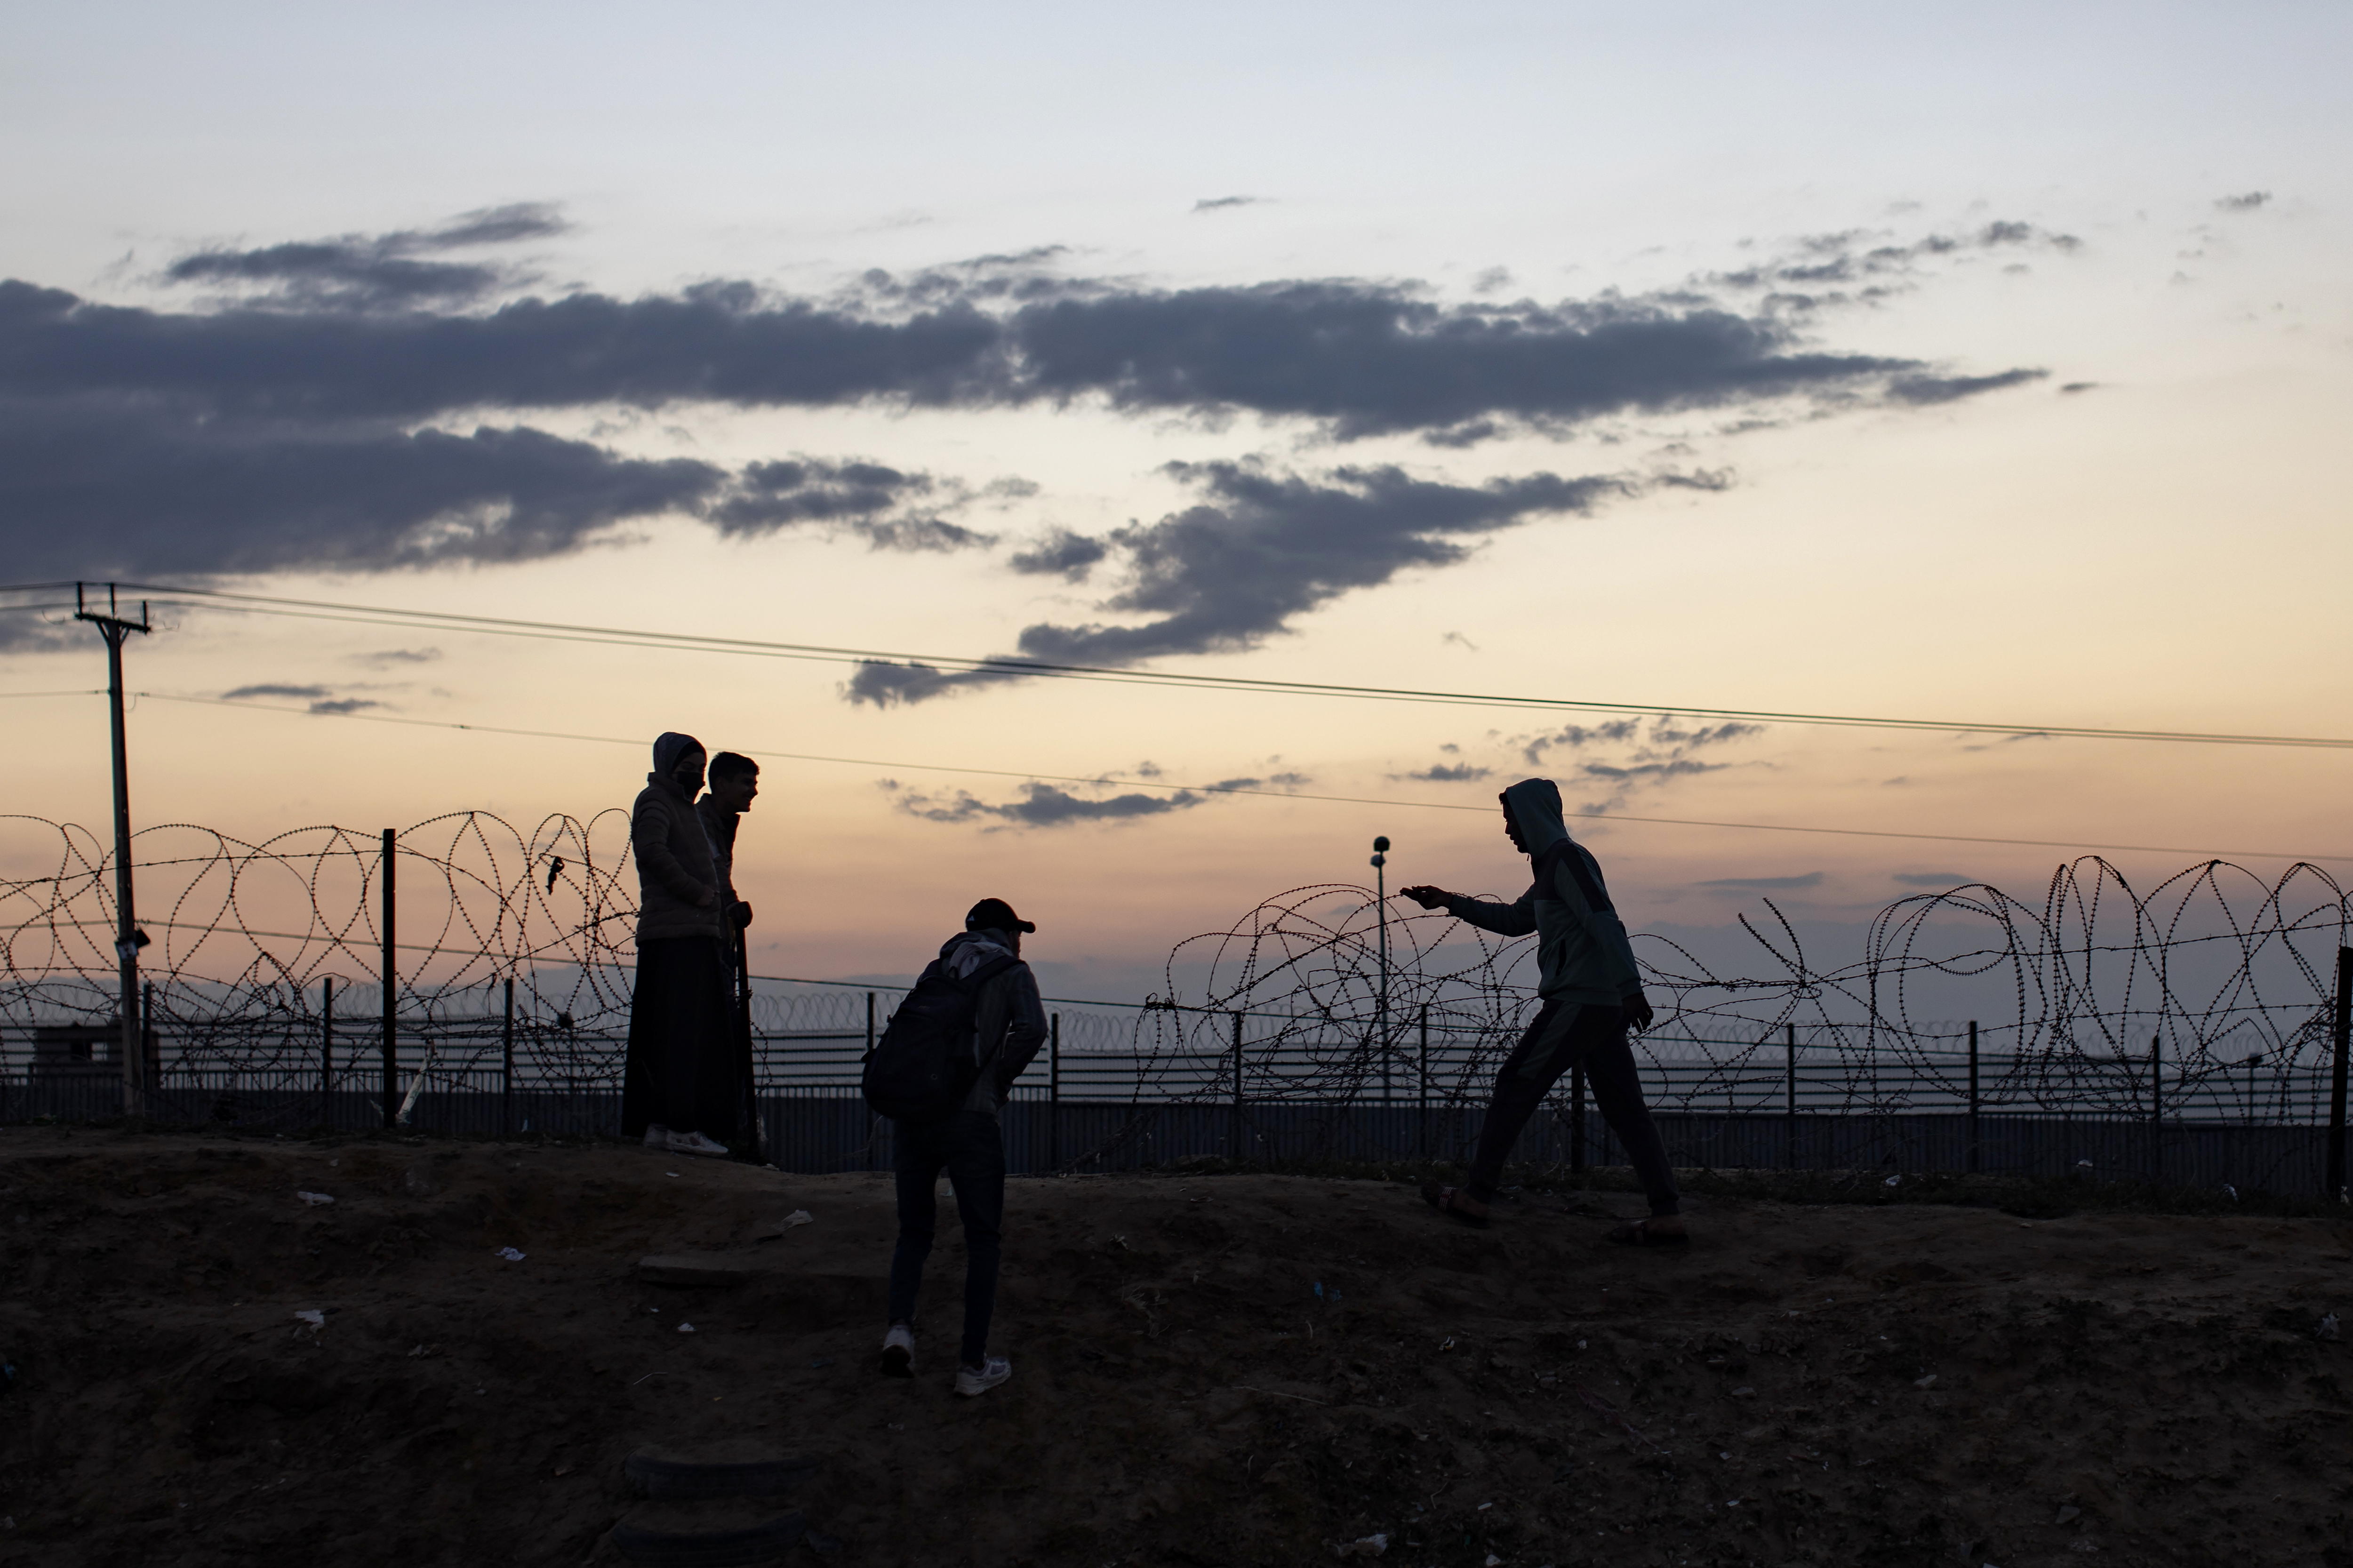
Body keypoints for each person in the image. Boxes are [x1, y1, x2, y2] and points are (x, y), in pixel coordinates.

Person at [1399, 777, 1687, 1244]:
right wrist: (1448, 901)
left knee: (1516, 1082)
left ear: (1530, 816)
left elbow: (1602, 919)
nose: (1509, 829)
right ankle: (1666, 1213)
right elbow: (1515, 919)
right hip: (1597, 1004)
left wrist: (1630, 986)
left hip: (1579, 1002)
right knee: (1624, 1107)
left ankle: (1475, 1193)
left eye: (1510, 818)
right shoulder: (1551, 867)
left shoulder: (1566, 859)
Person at [879, 897, 1048, 1397]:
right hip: (970, 1117)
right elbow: (1033, 1028)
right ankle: (971, 1364)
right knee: (982, 1238)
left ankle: (899, 1331)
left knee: (914, 1230)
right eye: (1017, 930)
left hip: (915, 1112)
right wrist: (996, 1079)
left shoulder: (939, 965)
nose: (1020, 939)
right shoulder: (1011, 970)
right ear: (1005, 932)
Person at [620, 732, 737, 1160]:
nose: (696, 777)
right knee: (681, 1036)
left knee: (678, 1035)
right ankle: (681, 1127)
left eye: (700, 769)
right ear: (669, 766)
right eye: (688, 768)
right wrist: (697, 893)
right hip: (677, 934)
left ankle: (663, 1124)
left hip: (693, 931)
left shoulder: (682, 807)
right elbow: (650, 851)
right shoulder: (656, 802)